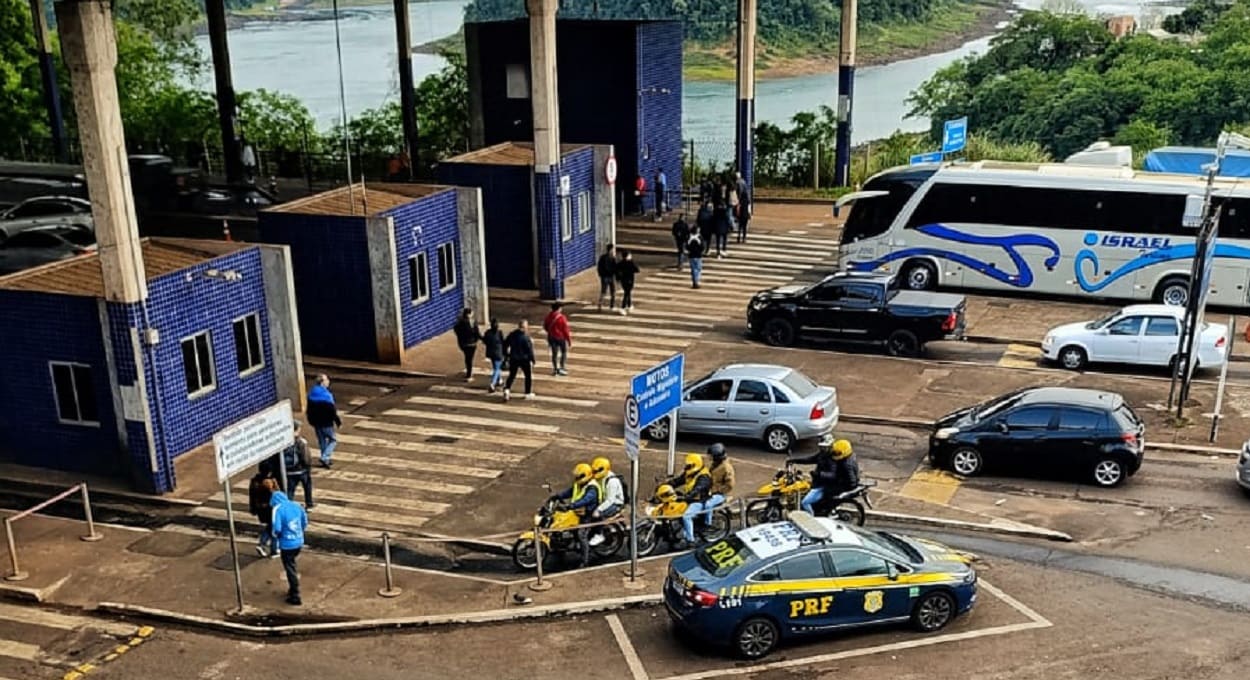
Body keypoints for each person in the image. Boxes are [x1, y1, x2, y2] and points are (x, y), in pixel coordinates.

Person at [792, 438, 860, 515]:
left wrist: (819, 474)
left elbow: (834, 475)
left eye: (825, 447)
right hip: (821, 482)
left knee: (805, 502)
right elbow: (812, 459)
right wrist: (795, 460)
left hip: (824, 484)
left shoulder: (835, 460)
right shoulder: (825, 455)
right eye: (821, 447)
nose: (822, 449)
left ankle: (812, 519)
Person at [551, 463, 601, 566]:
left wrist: (570, 506)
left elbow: (585, 500)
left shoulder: (592, 488)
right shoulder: (579, 484)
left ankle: (585, 560)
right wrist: (557, 496)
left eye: (579, 476)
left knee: (581, 534)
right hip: (577, 511)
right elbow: (569, 492)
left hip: (588, 514)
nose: (577, 478)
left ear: (586, 475)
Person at [270, 490, 308, 606]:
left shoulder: (278, 509)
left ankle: (295, 593)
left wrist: (277, 537)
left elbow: (277, 528)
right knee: (291, 563)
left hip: (287, 544)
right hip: (299, 541)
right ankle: (292, 590)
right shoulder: (296, 505)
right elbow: (304, 521)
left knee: (290, 567)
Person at [666, 453, 712, 546]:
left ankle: (690, 540)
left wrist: (687, 496)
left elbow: (697, 489)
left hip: (699, 500)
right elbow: (679, 480)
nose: (687, 467)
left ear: (696, 464)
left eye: (690, 465)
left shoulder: (704, 477)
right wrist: (667, 485)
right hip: (690, 498)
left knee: (686, 516)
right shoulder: (690, 472)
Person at [588, 456, 626, 547]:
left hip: (615, 504)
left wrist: (598, 510)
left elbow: (610, 500)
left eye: (597, 471)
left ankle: (599, 534)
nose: (595, 473)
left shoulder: (612, 482)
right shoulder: (601, 477)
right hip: (605, 500)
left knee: (596, 515)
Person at [307, 374, 341, 468]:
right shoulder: (327, 396)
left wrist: (310, 420)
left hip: (316, 422)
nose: (328, 381)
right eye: (326, 380)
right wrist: (337, 421)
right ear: (322, 382)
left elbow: (309, 409)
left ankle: (325, 458)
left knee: (322, 440)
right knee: (333, 440)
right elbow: (332, 411)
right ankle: (325, 457)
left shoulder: (312, 393)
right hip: (326, 422)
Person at [503, 319, 536, 401]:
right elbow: (529, 350)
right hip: (524, 359)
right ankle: (527, 393)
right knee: (528, 376)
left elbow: (505, 344)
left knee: (512, 375)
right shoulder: (526, 337)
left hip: (513, 358)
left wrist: (507, 355)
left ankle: (507, 389)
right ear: (524, 327)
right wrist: (533, 359)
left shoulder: (512, 334)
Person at [284, 421, 314, 509]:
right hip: (302, 470)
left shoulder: (284, 441)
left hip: (289, 471)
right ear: (296, 430)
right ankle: (309, 504)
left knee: (290, 490)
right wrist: (308, 466)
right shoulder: (301, 442)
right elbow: (306, 458)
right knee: (307, 487)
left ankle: (288, 507)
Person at [248, 473, 279, 558]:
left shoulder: (255, 482)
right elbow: (276, 494)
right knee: (274, 528)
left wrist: (253, 508)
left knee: (270, 527)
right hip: (270, 510)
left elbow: (251, 496)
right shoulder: (268, 483)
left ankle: (263, 545)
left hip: (261, 510)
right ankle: (273, 550)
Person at [704, 443, 735, 521]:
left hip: (720, 494)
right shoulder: (715, 465)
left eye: (711, 455)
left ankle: (708, 523)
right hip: (710, 491)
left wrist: (716, 491)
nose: (709, 457)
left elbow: (730, 485)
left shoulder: (726, 468)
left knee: (708, 505)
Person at [542, 302, 572, 376]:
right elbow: (565, 330)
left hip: (551, 337)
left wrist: (550, 332)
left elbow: (545, 326)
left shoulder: (549, 316)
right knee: (563, 352)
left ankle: (555, 368)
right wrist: (568, 340)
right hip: (560, 338)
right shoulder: (562, 318)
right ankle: (562, 367)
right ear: (559, 309)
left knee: (554, 354)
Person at [453, 308, 482, 381]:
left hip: (465, 343)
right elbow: (476, 332)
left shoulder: (461, 322)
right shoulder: (470, 322)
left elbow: (456, 330)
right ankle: (469, 374)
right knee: (469, 358)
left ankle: (469, 372)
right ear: (468, 314)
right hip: (471, 343)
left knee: (468, 358)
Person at [482, 318, 505, 393]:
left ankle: (499, 380)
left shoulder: (487, 333)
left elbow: (484, 341)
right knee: (497, 368)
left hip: (490, 352)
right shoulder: (499, 333)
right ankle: (492, 383)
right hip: (498, 353)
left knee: (496, 367)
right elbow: (503, 342)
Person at [616, 250, 639, 315]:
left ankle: (629, 305)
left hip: (623, 281)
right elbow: (637, 270)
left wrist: (618, 279)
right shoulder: (630, 263)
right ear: (628, 256)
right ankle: (623, 307)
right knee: (627, 293)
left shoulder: (620, 263)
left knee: (627, 292)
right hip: (629, 280)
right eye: (630, 255)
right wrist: (632, 262)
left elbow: (616, 271)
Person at [596, 245, 618, 312]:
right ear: (611, 250)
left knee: (605, 291)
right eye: (613, 249)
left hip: (606, 277)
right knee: (611, 291)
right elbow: (615, 268)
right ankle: (611, 306)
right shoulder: (611, 258)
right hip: (609, 277)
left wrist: (601, 275)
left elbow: (599, 267)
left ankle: (601, 304)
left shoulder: (603, 257)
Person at [735, 171, 752, 243]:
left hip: (741, 212)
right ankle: (744, 238)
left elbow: (738, 205)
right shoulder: (744, 182)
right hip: (745, 213)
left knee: (740, 226)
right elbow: (749, 206)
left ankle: (738, 237)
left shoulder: (737, 183)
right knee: (744, 226)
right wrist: (750, 214)